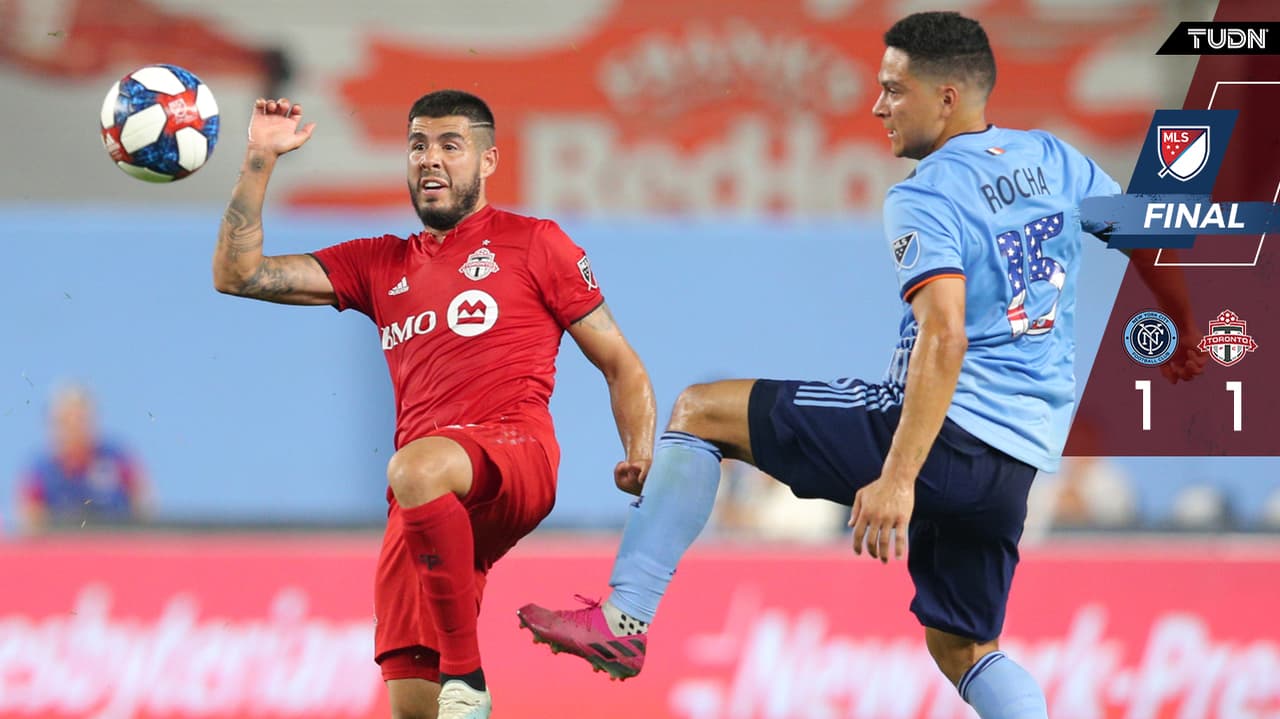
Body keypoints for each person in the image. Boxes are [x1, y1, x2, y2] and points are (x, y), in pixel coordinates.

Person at [517, 12, 1202, 719]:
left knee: (699, 410)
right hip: (1015, 461)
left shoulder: (926, 193)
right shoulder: (1054, 160)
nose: (877, 105)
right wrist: (1185, 326)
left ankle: (623, 620)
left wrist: (899, 477)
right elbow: (1148, 230)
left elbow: (945, 335)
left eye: (894, 89)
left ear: (947, 97)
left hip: (944, 431)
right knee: (964, 647)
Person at [211, 90, 656, 719]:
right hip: (423, 511)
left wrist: (639, 455)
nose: (430, 160)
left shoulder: (535, 243)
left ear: (489, 159)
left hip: (512, 454)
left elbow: (621, 363)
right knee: (415, 709)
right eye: (417, 145)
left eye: (450, 145)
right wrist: (260, 157)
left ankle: (467, 675)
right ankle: (455, 686)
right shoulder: (377, 263)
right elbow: (238, 274)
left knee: (414, 468)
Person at [16, 383, 151, 533]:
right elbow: (30, 524)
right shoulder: (40, 471)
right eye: (67, 420)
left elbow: (144, 507)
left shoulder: (117, 459)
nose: (74, 427)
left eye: (80, 418)